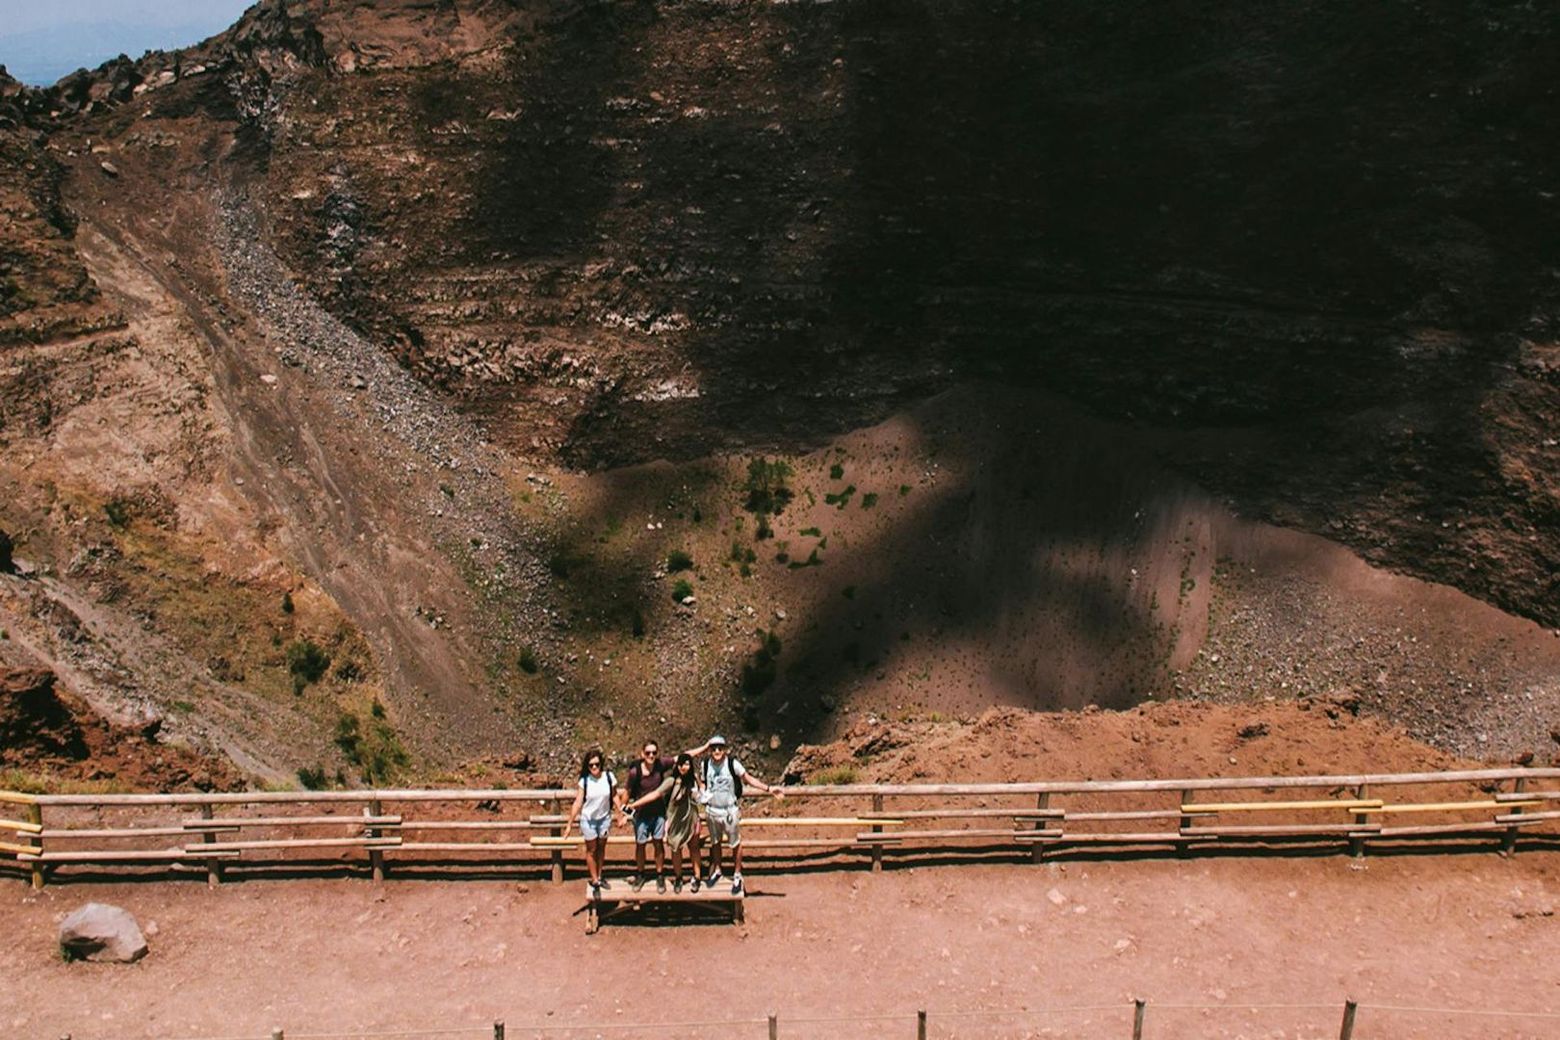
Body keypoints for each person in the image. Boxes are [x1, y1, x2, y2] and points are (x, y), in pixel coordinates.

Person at [690, 734, 782, 895]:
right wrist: (701, 791)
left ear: (725, 750)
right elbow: (704, 783)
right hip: (712, 810)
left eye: (720, 748)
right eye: (714, 748)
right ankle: (718, 869)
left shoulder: (732, 764)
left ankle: (737, 873)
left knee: (735, 843)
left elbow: (748, 779)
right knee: (715, 842)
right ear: (710, 750)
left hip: (729, 810)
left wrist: (768, 789)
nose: (717, 751)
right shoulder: (705, 764)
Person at [623, 751, 706, 893]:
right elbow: (655, 794)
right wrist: (634, 805)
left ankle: (696, 877)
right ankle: (678, 877)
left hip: (691, 819)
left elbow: (703, 795)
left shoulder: (694, 780)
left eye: (686, 764)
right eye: (681, 764)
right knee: (676, 849)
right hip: (675, 820)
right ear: (677, 766)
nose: (683, 767)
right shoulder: (671, 781)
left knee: (694, 848)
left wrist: (701, 790)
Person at [623, 738, 676, 892]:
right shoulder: (635, 773)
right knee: (640, 845)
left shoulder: (660, 765)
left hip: (659, 813)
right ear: (642, 754)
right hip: (641, 814)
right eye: (648, 753)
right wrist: (622, 813)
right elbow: (626, 793)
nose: (651, 755)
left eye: (654, 752)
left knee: (658, 843)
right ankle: (640, 874)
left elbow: (683, 757)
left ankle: (660, 874)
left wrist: (706, 746)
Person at [562, 748, 618, 893]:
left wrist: (621, 811)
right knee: (592, 849)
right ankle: (594, 879)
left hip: (604, 819)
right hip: (588, 820)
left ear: (601, 764)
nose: (594, 767)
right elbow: (578, 802)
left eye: (597, 764)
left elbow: (615, 796)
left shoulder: (609, 777)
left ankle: (599, 875)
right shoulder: (584, 781)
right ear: (587, 766)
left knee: (601, 847)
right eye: (591, 765)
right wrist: (569, 824)